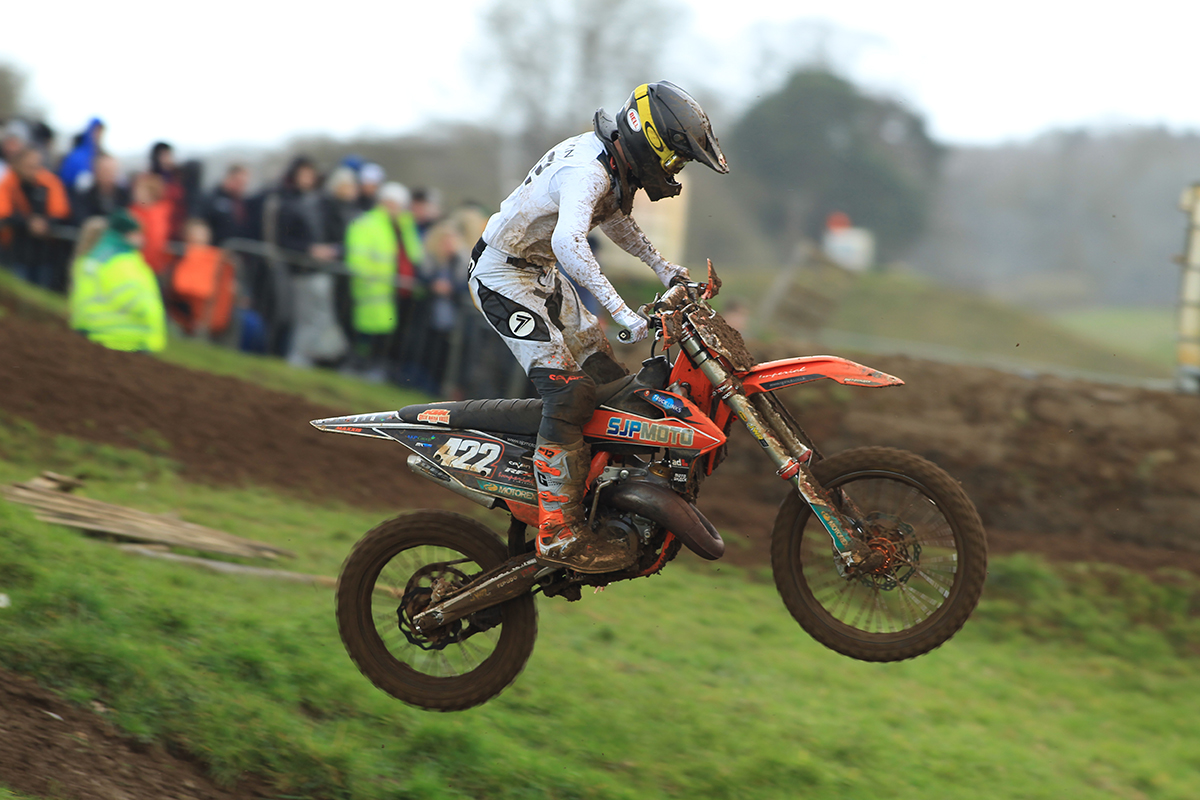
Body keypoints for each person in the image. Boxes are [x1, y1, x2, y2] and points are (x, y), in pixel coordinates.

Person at [469, 81, 728, 573]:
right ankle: (557, 528)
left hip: (541, 274)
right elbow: (569, 242)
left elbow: (613, 221)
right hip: (502, 277)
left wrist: (664, 268)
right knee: (568, 392)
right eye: (674, 159)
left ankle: (599, 495)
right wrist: (621, 310)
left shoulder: (611, 166)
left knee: (608, 380)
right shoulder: (587, 170)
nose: (675, 170)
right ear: (649, 141)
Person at [69, 209, 166, 352]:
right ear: (127, 234)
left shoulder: (93, 258)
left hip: (91, 331)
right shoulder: (123, 261)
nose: (142, 238)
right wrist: (154, 338)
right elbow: (138, 301)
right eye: (137, 233)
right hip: (125, 339)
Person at [343, 182, 410, 380]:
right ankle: (356, 367)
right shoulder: (367, 223)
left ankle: (368, 368)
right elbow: (357, 258)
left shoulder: (399, 225)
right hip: (370, 289)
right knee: (364, 333)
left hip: (387, 290)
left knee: (380, 334)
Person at [0, 146, 72, 289]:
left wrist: (45, 224)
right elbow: (4, 212)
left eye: (36, 166)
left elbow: (61, 210)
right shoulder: (7, 183)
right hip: (14, 250)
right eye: (29, 166)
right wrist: (29, 223)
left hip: (44, 251)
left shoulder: (49, 182)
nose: (33, 170)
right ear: (17, 164)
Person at [166, 218, 238, 341]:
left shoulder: (219, 258)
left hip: (215, 311)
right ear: (186, 236)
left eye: (202, 236)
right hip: (187, 307)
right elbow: (182, 287)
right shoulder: (178, 255)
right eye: (195, 236)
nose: (199, 241)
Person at [129, 172, 173, 275]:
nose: (135, 192)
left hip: (156, 266)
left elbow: (156, 242)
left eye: (140, 189)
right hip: (135, 265)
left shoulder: (161, 213)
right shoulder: (132, 212)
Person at [71, 154, 129, 223]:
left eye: (112, 171)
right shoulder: (84, 197)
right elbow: (82, 220)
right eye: (105, 171)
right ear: (95, 171)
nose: (109, 175)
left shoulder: (126, 195)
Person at [202, 164, 252, 244]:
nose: (241, 186)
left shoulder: (245, 202)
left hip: (239, 246)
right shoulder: (211, 198)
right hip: (215, 247)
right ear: (229, 178)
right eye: (238, 182)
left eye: (244, 184)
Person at [58, 118, 105, 194]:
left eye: (101, 132)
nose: (99, 135)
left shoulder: (99, 155)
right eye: (97, 131)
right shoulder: (76, 155)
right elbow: (64, 179)